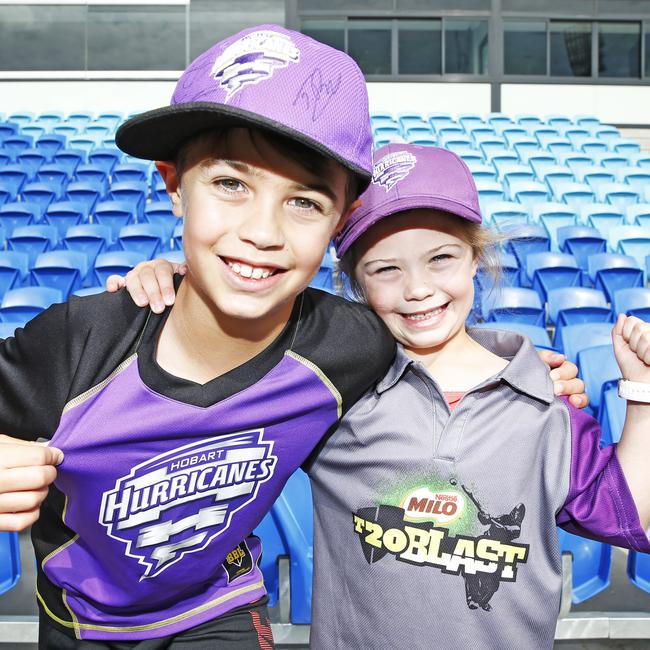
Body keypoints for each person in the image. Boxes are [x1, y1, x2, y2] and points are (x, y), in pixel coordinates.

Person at [111, 145, 643, 650]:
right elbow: (200, 399)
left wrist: (641, 393)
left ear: (476, 259)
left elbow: (633, 520)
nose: (417, 288)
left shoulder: (545, 402)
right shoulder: (336, 389)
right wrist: (179, 288)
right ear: (356, 284)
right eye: (386, 269)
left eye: (441, 258)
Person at [0, 25, 400, 648]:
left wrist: (514, 368)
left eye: (305, 202)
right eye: (231, 184)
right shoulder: (80, 342)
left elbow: (442, 362)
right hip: (82, 624)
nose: (262, 232)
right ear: (173, 184)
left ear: (340, 219)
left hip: (222, 607)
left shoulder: (349, 347)